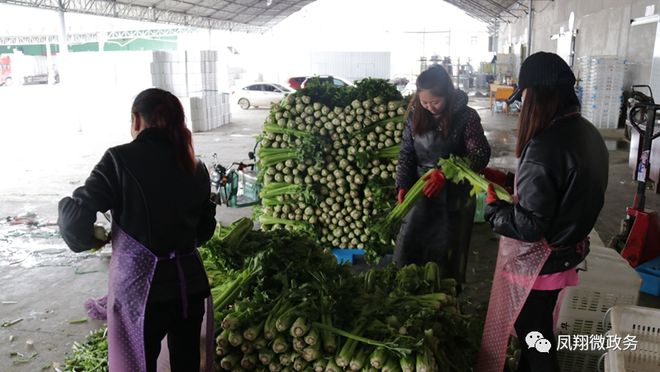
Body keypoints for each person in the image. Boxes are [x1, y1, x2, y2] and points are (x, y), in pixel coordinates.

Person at [58, 88, 217, 372]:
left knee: (136, 365)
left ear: (136, 120)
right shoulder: (196, 165)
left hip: (141, 295)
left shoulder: (118, 160)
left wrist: (89, 239)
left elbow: (74, 218)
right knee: (187, 364)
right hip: (189, 289)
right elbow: (205, 231)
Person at [476, 52, 609, 372]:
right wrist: (508, 179)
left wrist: (493, 210)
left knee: (536, 340)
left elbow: (530, 224)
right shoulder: (587, 133)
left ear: (538, 96)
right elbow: (557, 190)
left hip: (540, 264)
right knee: (535, 334)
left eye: (526, 98)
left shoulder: (544, 145)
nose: (523, 107)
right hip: (566, 252)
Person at [395, 65, 491, 284]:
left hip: (454, 200)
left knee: (447, 258)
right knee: (409, 251)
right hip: (422, 193)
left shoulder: (466, 117)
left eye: (435, 102)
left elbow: (480, 154)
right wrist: (402, 184)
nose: (430, 107)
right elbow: (407, 153)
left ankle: (447, 303)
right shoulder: (415, 115)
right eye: (424, 102)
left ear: (447, 94)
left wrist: (445, 172)